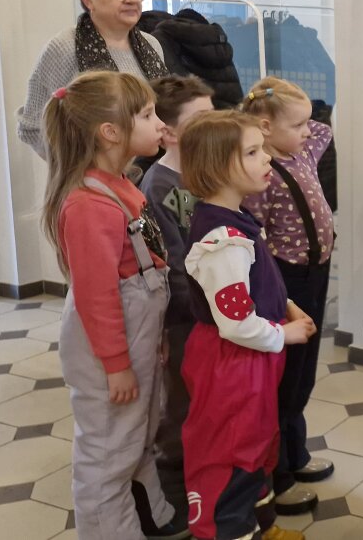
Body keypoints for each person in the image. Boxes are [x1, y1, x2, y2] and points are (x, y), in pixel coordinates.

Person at [40, 70, 186, 539]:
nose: (159, 123)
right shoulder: (88, 204)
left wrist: (153, 342)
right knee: (107, 454)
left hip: (134, 342)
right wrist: (117, 365)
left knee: (137, 435)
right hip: (109, 354)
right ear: (110, 132)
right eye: (147, 115)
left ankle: (147, 515)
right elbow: (98, 297)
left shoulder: (122, 185)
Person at [179, 110, 317, 540]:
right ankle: (231, 530)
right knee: (233, 454)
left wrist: (286, 305)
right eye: (253, 152)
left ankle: (262, 527)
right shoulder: (223, 241)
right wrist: (283, 333)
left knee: (257, 447)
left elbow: (251, 289)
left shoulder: (236, 220)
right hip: (233, 364)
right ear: (220, 166)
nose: (267, 159)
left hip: (249, 358)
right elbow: (236, 321)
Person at [241, 77, 338, 514]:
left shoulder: (303, 152)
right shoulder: (263, 174)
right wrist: (260, 121)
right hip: (290, 279)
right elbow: (253, 231)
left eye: (303, 125)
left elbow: (322, 129)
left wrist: (275, 98)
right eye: (296, 125)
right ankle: (278, 475)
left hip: (318, 273)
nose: (305, 131)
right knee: (286, 379)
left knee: (304, 373)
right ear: (264, 128)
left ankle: (296, 454)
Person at [138, 74, 216, 519]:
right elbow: (175, 264)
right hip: (187, 319)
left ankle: (204, 485)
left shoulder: (205, 172)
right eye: (201, 118)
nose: (214, 124)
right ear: (168, 132)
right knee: (181, 409)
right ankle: (172, 499)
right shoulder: (161, 187)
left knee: (206, 405)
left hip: (213, 316)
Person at [20, 0, 170, 158]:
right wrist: (78, 166)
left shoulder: (152, 44)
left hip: (151, 167)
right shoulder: (65, 47)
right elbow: (32, 127)